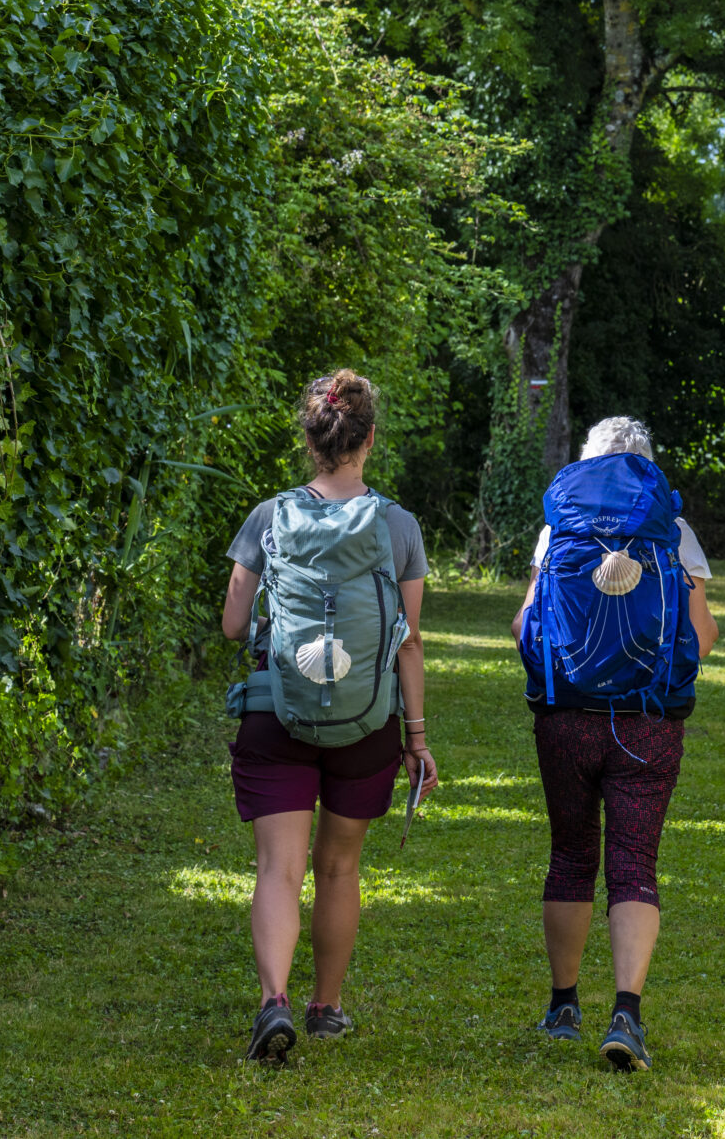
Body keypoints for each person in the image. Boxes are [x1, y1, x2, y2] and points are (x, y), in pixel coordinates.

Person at [220, 369, 437, 1061]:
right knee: (339, 868)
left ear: (310, 442)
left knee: (278, 869)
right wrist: (416, 738)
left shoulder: (269, 516)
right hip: (367, 722)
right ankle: (326, 1007)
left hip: (275, 712)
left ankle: (273, 1001)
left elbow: (232, 624)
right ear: (369, 439)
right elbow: (407, 641)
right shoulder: (398, 525)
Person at [513, 416, 719, 1072]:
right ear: (646, 467)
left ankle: (563, 1007)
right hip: (648, 720)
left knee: (571, 854)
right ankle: (626, 1013)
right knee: (634, 863)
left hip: (566, 714)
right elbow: (701, 634)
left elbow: (524, 623)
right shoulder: (672, 529)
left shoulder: (559, 528)